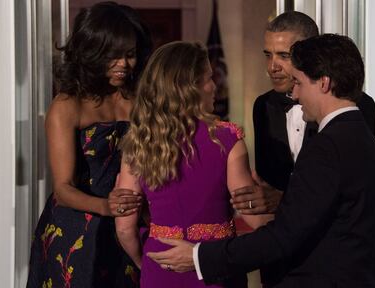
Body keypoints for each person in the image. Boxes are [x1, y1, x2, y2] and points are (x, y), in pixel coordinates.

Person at [147, 34, 375, 288]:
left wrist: (198, 257)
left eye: (299, 83)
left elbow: (284, 236)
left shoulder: (326, 147)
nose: (294, 95)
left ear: (324, 83)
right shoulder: (361, 137)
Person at [114, 41, 273, 288]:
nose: (214, 86)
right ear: (189, 88)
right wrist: (275, 202)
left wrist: (143, 263)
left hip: (161, 263)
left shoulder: (139, 142)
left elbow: (125, 228)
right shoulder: (227, 139)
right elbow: (256, 220)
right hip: (214, 266)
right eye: (208, 78)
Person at [26, 2, 152, 287]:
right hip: (76, 233)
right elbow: (63, 189)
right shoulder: (67, 105)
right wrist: (107, 207)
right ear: (91, 52)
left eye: (130, 55)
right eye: (112, 55)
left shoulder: (141, 99)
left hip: (131, 225)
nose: (123, 64)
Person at [230, 11, 375, 215]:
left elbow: (351, 188)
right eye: (268, 55)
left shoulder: (353, 105)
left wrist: (283, 199)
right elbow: (267, 182)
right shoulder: (263, 106)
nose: (272, 67)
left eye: (284, 55)